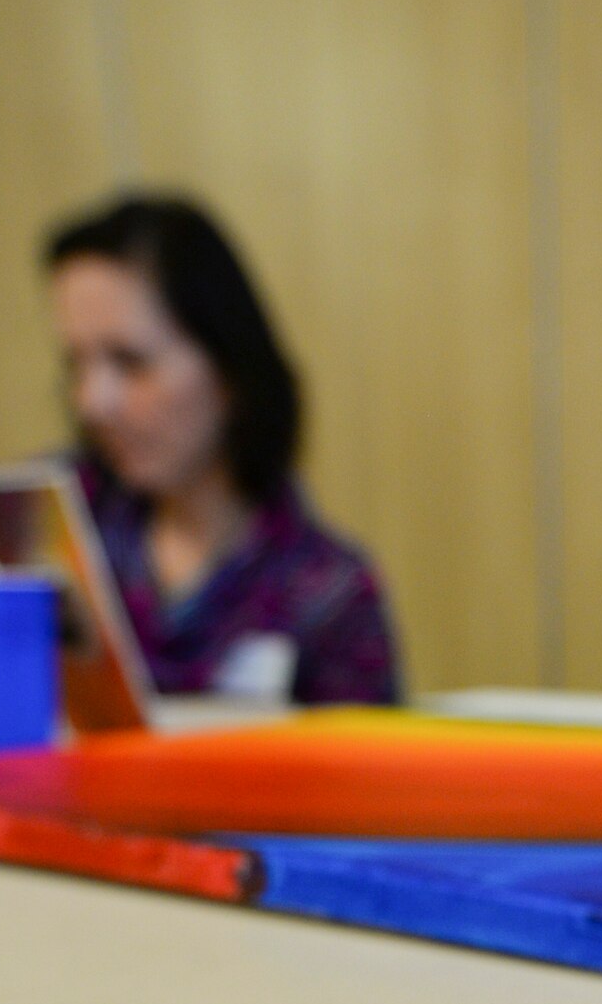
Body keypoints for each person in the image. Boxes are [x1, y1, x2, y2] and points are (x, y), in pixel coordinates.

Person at [44, 194, 402, 706]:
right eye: (77, 365)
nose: (93, 402)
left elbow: (368, 773)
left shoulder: (326, 593)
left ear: (229, 369)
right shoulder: (48, 532)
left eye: (131, 361)